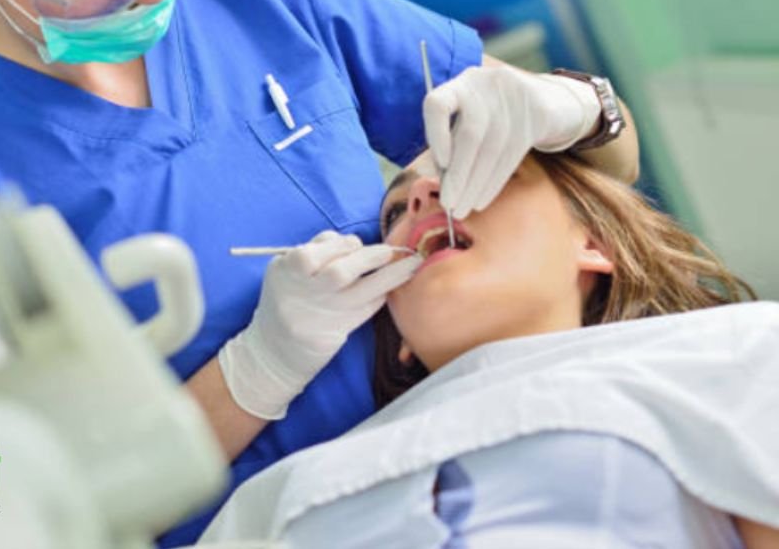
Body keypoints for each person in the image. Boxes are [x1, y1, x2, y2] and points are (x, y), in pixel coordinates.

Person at [0, 0, 639, 542]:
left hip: (478, 473)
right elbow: (27, 499)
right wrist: (253, 373)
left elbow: (605, 176)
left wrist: (568, 107)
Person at [202, 149, 779, 547]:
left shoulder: (732, 349)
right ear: (397, 331)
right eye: (395, 214)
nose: (423, 196)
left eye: (471, 174)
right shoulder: (277, 492)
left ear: (595, 244)